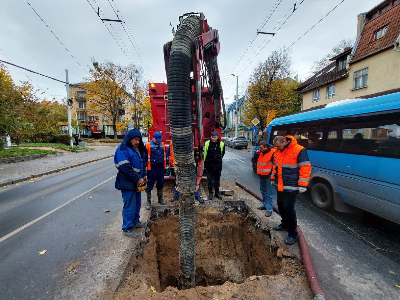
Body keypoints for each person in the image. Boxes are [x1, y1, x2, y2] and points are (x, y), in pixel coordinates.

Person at [271, 135, 311, 245]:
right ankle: (284, 224)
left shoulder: (299, 150)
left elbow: (305, 167)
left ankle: (293, 233)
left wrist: (302, 184)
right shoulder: (278, 151)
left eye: (279, 146)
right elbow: (276, 165)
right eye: (276, 147)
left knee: (289, 207)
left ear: (284, 141)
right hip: (281, 185)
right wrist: (273, 177)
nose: (277, 148)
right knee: (280, 205)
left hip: (292, 185)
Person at [114, 129, 148, 238]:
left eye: (138, 140)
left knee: (137, 203)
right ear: (130, 139)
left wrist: (144, 174)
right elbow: (124, 167)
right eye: (135, 140)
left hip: (137, 182)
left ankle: (135, 222)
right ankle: (127, 228)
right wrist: (137, 178)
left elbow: (143, 163)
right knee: (129, 205)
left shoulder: (137, 150)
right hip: (128, 182)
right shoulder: (123, 149)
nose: (137, 142)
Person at [251, 141, 275, 217]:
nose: (260, 149)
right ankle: (265, 205)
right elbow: (253, 161)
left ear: (266, 147)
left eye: (261, 148)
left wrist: (273, 176)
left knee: (269, 193)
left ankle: (269, 209)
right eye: (259, 148)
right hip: (261, 176)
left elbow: (275, 165)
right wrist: (256, 154)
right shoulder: (260, 153)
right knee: (263, 191)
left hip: (269, 176)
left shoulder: (272, 153)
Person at [145, 132, 167, 210]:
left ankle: (160, 199)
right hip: (152, 168)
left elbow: (165, 156)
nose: (158, 142)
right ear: (153, 138)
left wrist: (165, 167)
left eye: (159, 140)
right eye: (157, 140)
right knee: (150, 184)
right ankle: (148, 202)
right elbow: (145, 158)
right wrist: (146, 169)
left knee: (160, 183)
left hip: (160, 167)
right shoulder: (148, 145)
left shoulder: (162, 145)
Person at [204, 131, 225, 200]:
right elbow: (205, 154)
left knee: (217, 180)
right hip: (209, 166)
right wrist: (206, 163)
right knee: (210, 180)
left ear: (217, 137)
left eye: (214, 137)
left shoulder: (221, 144)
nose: (213, 139)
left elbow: (222, 154)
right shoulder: (207, 143)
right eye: (212, 137)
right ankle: (210, 193)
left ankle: (217, 193)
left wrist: (218, 160)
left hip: (218, 166)